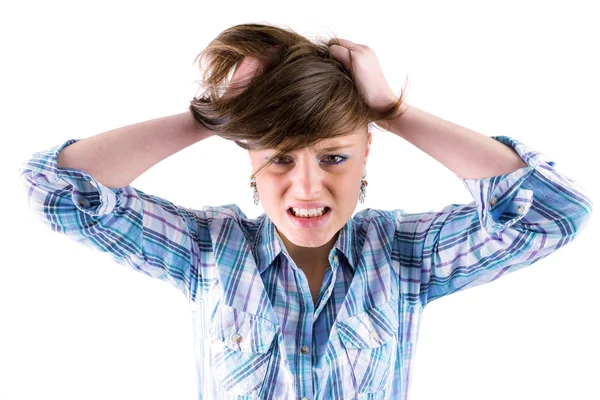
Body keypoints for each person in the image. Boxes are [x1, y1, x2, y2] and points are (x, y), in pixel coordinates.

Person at [16, 23, 593, 400]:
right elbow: (56, 189)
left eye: (334, 156)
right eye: (281, 159)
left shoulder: (406, 256)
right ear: (248, 156)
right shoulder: (208, 251)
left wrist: (392, 110)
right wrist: (213, 116)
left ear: (368, 149)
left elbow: (551, 212)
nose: (308, 188)